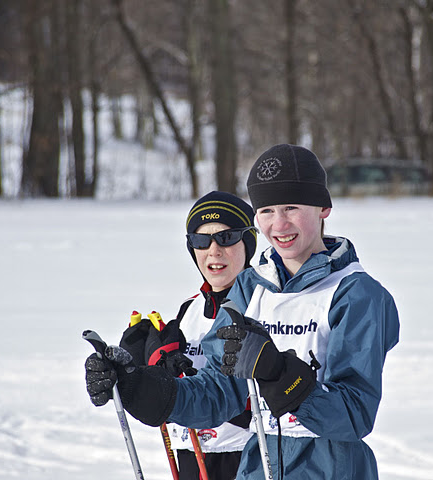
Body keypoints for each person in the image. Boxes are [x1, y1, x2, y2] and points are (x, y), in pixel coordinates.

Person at [86, 144, 400, 479]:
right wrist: (137, 385)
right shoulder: (250, 288)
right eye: (266, 211)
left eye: (291, 207)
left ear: (323, 207)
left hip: (332, 469)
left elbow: (354, 415)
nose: (279, 224)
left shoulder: (356, 294)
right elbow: (216, 392)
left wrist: (280, 374)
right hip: (258, 467)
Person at [94, 191, 258, 479]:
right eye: (201, 240)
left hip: (246, 456)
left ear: (248, 243)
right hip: (190, 453)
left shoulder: (265, 304)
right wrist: (140, 374)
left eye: (227, 237)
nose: (214, 250)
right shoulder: (189, 310)